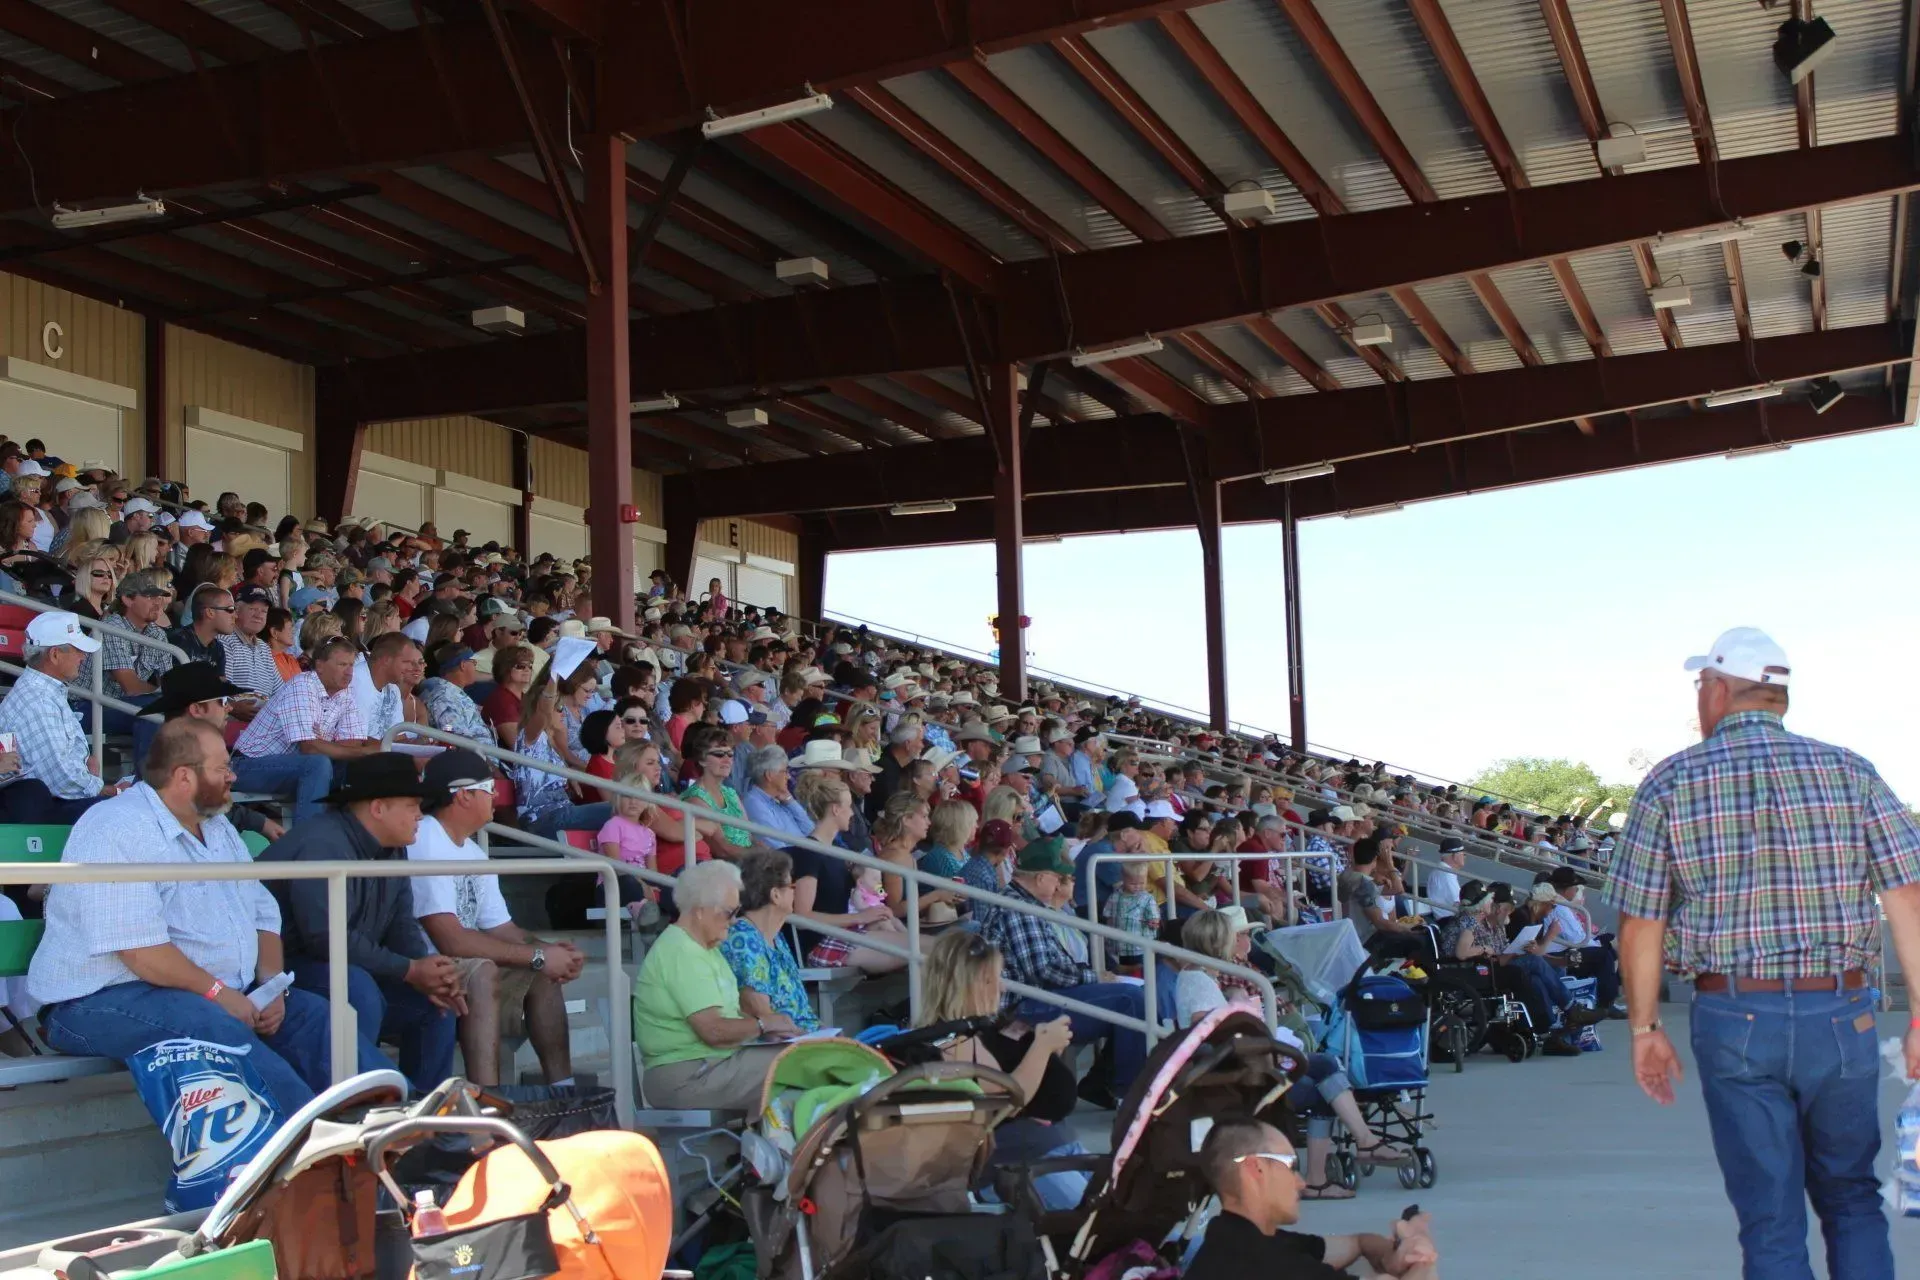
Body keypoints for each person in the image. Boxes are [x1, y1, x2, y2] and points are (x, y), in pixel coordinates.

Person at [1606, 628, 1920, 1280]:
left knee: (1770, 1216)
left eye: (1700, 687)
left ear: (1718, 690)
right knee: (1851, 1195)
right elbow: (1907, 900)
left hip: (1734, 1014)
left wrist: (1645, 1029)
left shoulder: (1669, 781)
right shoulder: (1848, 770)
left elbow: (1641, 924)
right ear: (1777, 696)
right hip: (1842, 1011)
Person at [26, 720, 374, 1113]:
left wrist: (272, 985)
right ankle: (305, 1155)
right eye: (222, 768)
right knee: (210, 1029)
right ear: (183, 777)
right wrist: (218, 994)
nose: (233, 775)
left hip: (205, 994)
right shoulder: (116, 826)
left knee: (313, 1016)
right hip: (94, 1001)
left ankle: (397, 1134)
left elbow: (262, 912)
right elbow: (140, 952)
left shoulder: (218, 827)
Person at [260, 753, 467, 1095]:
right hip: (279, 971)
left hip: (340, 963)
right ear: (377, 808)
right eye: (412, 804)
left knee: (435, 1004)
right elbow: (324, 940)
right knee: (356, 988)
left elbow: (401, 923)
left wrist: (430, 971)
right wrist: (409, 970)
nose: (420, 814)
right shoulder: (322, 842)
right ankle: (356, 1107)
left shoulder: (394, 845)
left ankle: (428, 1118)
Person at [1176, 909, 1408, 1195]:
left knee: (1324, 1064)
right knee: (1322, 1088)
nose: (1238, 941)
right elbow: (1206, 1029)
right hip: (1236, 1071)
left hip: (1249, 1060)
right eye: (1233, 936)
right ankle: (1326, 1172)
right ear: (1217, 941)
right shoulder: (1198, 979)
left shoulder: (1204, 974)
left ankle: (1362, 1142)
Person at [406, 748, 585, 1088]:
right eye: (490, 788)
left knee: (542, 973)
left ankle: (563, 1092)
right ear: (463, 795)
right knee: (486, 970)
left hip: (461, 958)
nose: (497, 797)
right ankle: (488, 1102)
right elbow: (450, 939)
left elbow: (502, 928)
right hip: (429, 962)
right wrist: (536, 955)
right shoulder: (426, 838)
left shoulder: (472, 850)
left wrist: (552, 953)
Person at [916, 930, 1088, 1210]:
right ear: (970, 984)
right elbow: (1010, 1099)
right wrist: (1042, 1047)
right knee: (1098, 1221)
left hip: (1042, 1146)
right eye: (993, 979)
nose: (1002, 988)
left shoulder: (961, 1034)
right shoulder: (950, 1042)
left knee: (1122, 1211)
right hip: (1013, 1163)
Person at [980, 836, 1147, 1107]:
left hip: (1039, 996)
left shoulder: (1026, 903)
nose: (1061, 885)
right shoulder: (1019, 909)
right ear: (1042, 877)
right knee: (1131, 1000)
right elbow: (1044, 970)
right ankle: (1128, 1095)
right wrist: (1095, 977)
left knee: (1135, 997)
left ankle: (1105, 1083)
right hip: (1022, 1007)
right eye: (1059, 878)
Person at [1185, 1117, 1440, 1280]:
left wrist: (1391, 1257)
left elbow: (1359, 1242)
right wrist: (1420, 1246)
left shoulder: (1233, 1239)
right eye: (1291, 1165)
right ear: (1256, 1169)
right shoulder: (1265, 1264)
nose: (1301, 1181)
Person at [632, 860, 790, 1110]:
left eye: (738, 912)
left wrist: (773, 1030)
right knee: (803, 1065)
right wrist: (764, 1024)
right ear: (700, 909)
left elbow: (728, 1016)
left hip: (711, 1064)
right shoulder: (680, 951)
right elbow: (714, 1031)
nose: (735, 920)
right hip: (686, 1076)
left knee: (807, 1059)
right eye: (729, 912)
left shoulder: (705, 948)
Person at [233, 636, 377, 818]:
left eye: (351, 665)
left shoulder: (345, 693)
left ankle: (343, 835)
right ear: (320, 666)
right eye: (342, 665)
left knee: (354, 767)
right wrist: (351, 749)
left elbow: (352, 746)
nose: (349, 672)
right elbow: (309, 748)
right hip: (247, 765)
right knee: (318, 764)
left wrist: (324, 743)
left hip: (291, 766)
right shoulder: (303, 684)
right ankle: (308, 840)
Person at [0, 612, 127, 819]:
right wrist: (112, 790)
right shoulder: (38, 699)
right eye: (77, 650)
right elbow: (62, 780)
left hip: (56, 801)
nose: (83, 657)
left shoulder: (43, 692)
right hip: (53, 805)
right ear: (55, 655)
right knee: (128, 812)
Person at [719, 849, 820, 1035]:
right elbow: (762, 1014)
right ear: (775, 895)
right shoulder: (742, 938)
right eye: (792, 886)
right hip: (779, 1046)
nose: (795, 892)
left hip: (802, 1039)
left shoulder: (776, 938)